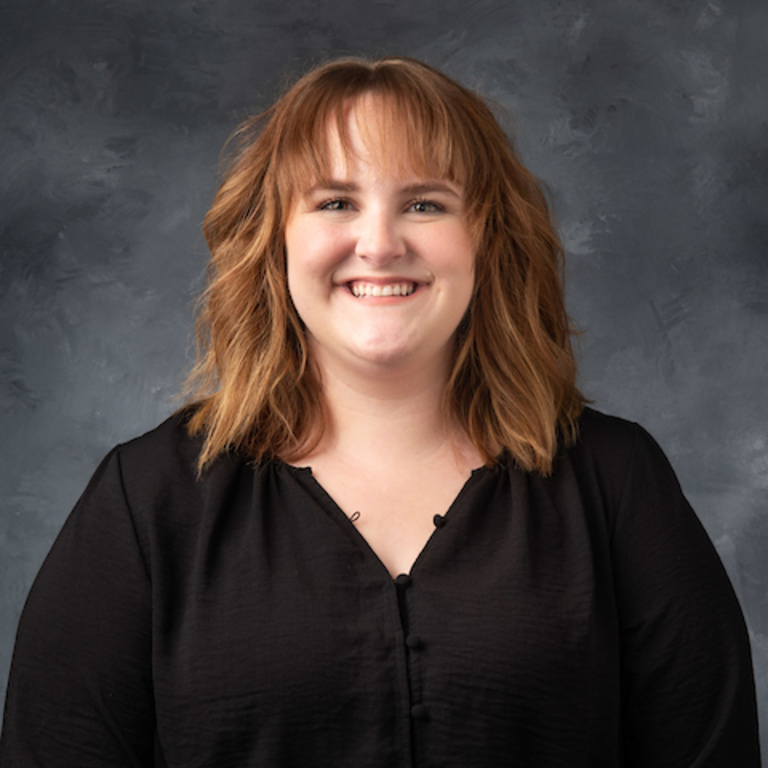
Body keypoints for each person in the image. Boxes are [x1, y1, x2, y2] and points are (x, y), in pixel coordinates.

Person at [0, 56, 760, 767]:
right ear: (275, 242)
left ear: (487, 240)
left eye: (425, 203)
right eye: (335, 202)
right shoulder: (150, 498)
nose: (380, 242)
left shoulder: (616, 481)